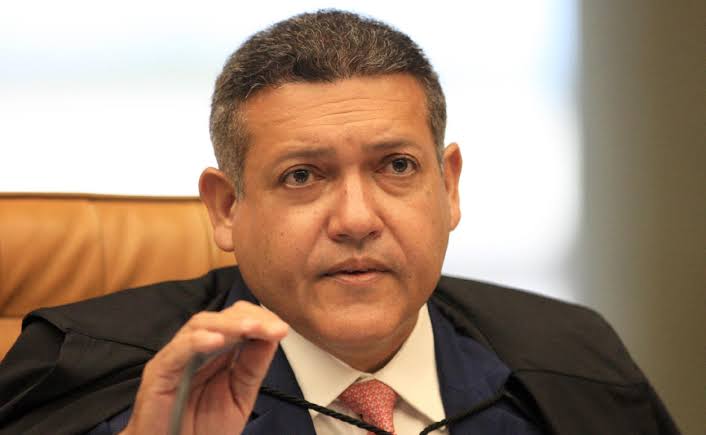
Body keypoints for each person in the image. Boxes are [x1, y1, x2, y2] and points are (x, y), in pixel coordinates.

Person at [0, 10, 678, 435]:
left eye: (397, 167)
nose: (356, 220)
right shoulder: (96, 382)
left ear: (449, 187)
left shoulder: (574, 365)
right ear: (227, 208)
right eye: (303, 176)